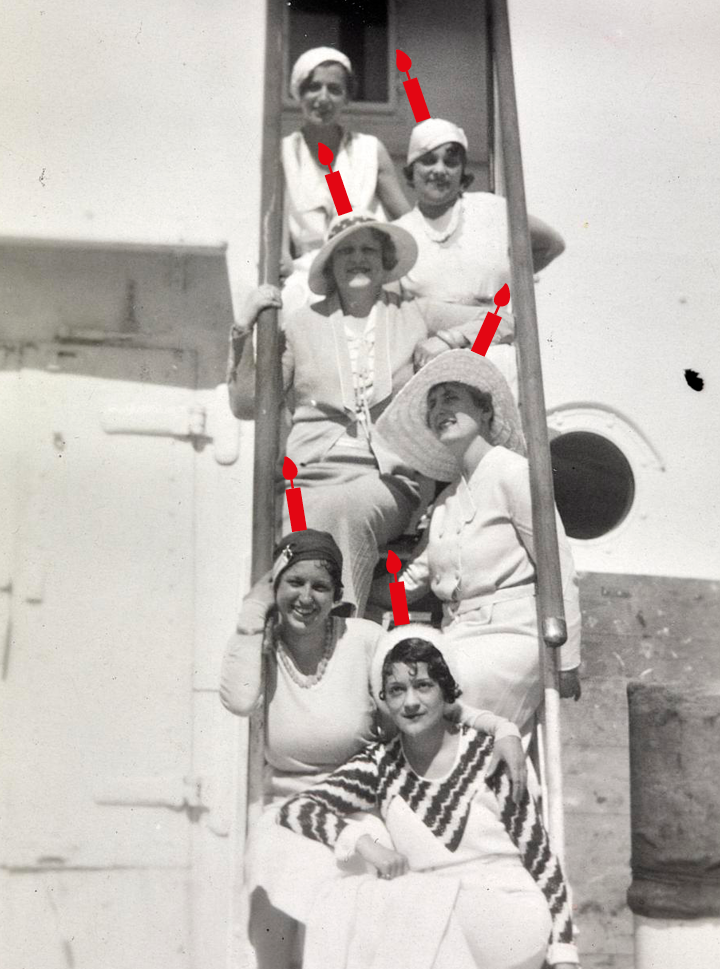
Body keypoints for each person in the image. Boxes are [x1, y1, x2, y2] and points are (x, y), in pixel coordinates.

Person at [220, 532, 527, 969]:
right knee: (276, 885)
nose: (306, 597)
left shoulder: (363, 639)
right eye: (294, 583)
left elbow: (420, 705)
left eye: (320, 587)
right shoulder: (263, 645)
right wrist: (253, 616)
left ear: (335, 596)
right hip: (287, 807)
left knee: (362, 915)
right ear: (275, 587)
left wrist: (500, 727)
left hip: (360, 805)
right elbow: (238, 699)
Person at [278, 627, 579, 969]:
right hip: (431, 919)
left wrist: (565, 956)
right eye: (396, 690)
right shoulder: (380, 765)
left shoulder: (490, 756)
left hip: (508, 915)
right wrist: (362, 842)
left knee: (400, 903)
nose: (410, 702)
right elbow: (297, 809)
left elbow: (541, 859)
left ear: (445, 691)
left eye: (423, 686)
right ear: (385, 701)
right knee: (347, 899)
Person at [228, 214, 483, 613]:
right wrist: (242, 331)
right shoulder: (301, 325)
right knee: (304, 518)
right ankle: (310, 635)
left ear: (385, 262)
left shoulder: (415, 313)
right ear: (330, 266)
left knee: (338, 510)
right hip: (309, 475)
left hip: (385, 479)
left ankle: (336, 626)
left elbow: (503, 319)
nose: (358, 258)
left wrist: (451, 338)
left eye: (368, 249)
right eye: (345, 250)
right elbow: (248, 406)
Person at [375, 350, 581, 733]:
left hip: (513, 638)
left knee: (430, 697)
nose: (440, 409)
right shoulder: (445, 502)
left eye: (451, 397)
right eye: (433, 404)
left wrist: (567, 659)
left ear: (485, 410)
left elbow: (558, 565)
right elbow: (411, 582)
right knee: (398, 688)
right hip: (459, 637)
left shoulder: (513, 473)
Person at [395, 118, 565, 394]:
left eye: (450, 162)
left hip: (494, 340)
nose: (439, 170)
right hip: (430, 358)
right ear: (412, 169)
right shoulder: (400, 233)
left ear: (462, 171)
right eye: (428, 160)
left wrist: (512, 284)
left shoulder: (492, 210)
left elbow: (552, 244)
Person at [281, 46, 410, 312]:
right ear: (298, 93)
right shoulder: (283, 153)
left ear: (347, 97)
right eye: (314, 87)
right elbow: (277, 236)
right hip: (308, 275)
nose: (323, 98)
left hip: (367, 271)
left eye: (335, 89)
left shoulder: (369, 150)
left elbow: (407, 223)